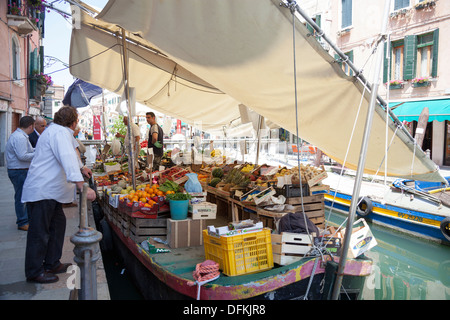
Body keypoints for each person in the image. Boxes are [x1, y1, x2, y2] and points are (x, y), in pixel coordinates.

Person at [22, 106, 96, 284]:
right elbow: (66, 157)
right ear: (73, 122)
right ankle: (34, 271)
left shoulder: (58, 131)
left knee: (57, 226)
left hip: (50, 192)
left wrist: (82, 167)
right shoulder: (60, 133)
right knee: (39, 233)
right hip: (43, 191)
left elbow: (72, 155)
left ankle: (52, 262)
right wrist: (81, 186)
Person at [5, 116, 35, 231]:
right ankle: (22, 221)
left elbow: (28, 152)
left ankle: (25, 219)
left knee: (23, 195)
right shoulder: (20, 138)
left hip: (19, 170)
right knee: (21, 197)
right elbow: (22, 156)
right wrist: (38, 154)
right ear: (31, 126)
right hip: (19, 171)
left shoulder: (20, 136)